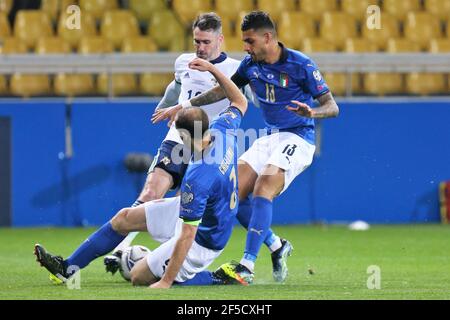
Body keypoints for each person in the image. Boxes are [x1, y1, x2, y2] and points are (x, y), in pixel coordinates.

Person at [152, 11, 340, 284]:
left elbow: (332, 107)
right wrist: (185, 106)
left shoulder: (301, 65)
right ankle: (276, 245)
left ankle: (247, 266)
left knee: (264, 186)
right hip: (270, 136)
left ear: (267, 37)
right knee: (232, 192)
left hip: (299, 137)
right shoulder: (251, 64)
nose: (245, 48)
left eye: (250, 42)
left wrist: (312, 112)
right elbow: (222, 91)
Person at [34, 57, 249, 288]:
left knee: (138, 276)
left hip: (205, 238)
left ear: (185, 137)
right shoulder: (223, 128)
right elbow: (240, 100)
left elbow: (187, 235)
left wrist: (165, 281)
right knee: (123, 218)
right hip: (211, 213)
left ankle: (220, 277)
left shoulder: (198, 177)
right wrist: (212, 69)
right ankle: (67, 268)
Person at [104, 12, 285, 278]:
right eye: (196, 41)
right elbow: (176, 88)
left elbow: (253, 99)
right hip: (181, 139)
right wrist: (165, 109)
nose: (200, 47)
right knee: (153, 191)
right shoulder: (183, 62)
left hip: (212, 146)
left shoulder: (237, 68)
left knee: (220, 203)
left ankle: (273, 244)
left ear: (220, 40)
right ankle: (121, 248)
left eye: (206, 42)